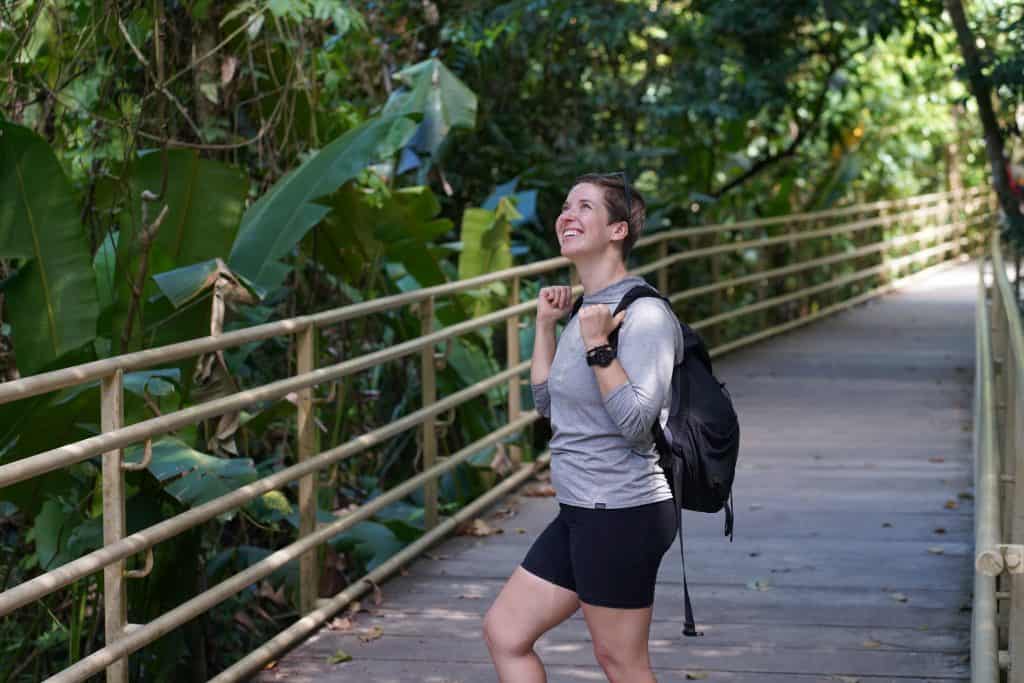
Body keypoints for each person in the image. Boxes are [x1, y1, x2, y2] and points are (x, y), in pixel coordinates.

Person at [482, 173, 683, 682]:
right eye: (566, 204)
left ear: (618, 230)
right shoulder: (584, 309)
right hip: (581, 508)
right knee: (506, 633)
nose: (567, 214)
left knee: (621, 662)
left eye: (585, 207)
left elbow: (637, 425)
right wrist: (547, 326)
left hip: (622, 510)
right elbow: (551, 406)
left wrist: (599, 346)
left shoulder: (646, 315)